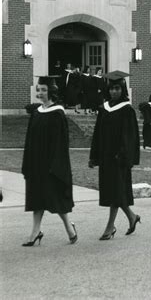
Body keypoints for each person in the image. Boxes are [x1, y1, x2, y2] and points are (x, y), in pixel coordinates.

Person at [21, 76, 77, 246]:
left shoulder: (57, 113)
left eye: (44, 90)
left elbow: (61, 142)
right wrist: (28, 162)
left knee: (56, 198)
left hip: (51, 163)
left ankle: (69, 228)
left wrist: (56, 165)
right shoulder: (37, 112)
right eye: (38, 90)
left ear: (51, 91)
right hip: (36, 163)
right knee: (37, 196)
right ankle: (35, 232)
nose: (40, 93)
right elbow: (29, 139)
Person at [89, 71, 141, 240]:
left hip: (119, 158)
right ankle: (132, 217)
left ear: (123, 89)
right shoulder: (104, 109)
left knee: (116, 191)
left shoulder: (127, 110)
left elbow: (130, 136)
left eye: (117, 88)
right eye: (111, 89)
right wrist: (94, 156)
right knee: (115, 191)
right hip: (105, 157)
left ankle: (110, 227)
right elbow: (97, 135)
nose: (114, 92)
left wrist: (125, 156)